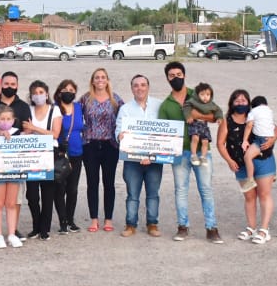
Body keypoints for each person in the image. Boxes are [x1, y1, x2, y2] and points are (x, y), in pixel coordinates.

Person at [158, 61, 222, 244]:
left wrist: (197, 116)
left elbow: (214, 115)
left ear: (184, 75)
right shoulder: (166, 105)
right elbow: (162, 131)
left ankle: (212, 228)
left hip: (202, 151)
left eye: (179, 74)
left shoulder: (199, 94)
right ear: (167, 79)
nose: (176, 78)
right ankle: (182, 227)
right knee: (181, 190)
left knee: (206, 189)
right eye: (172, 75)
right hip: (179, 153)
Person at [217, 89, 277, 243]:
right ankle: (251, 227)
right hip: (240, 165)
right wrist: (229, 161)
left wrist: (271, 140)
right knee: (249, 197)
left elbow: (275, 129)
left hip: (263, 160)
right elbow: (220, 144)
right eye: (237, 100)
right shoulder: (227, 120)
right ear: (231, 103)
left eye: (244, 100)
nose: (240, 103)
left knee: (264, 194)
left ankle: (264, 230)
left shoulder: (256, 115)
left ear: (249, 103)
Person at [0, 71, 32, 242]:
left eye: (13, 84)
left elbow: (28, 128)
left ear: (17, 85)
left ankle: (13, 229)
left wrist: (23, 137)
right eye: (6, 83)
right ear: (1, 84)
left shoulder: (23, 106)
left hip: (15, 159)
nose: (9, 86)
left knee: (14, 199)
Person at [115, 73, 163, 238]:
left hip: (154, 159)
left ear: (148, 87)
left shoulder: (159, 106)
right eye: (136, 85)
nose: (139, 88)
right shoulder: (125, 109)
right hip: (132, 159)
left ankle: (152, 224)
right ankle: (130, 224)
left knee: (153, 194)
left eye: (143, 85)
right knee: (132, 195)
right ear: (132, 88)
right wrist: (120, 136)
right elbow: (118, 130)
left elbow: (165, 131)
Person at [80, 68, 124, 233]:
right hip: (90, 145)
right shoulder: (85, 99)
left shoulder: (116, 99)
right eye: (97, 77)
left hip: (110, 146)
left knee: (109, 183)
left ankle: (108, 219)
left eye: (103, 77)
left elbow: (126, 118)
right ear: (92, 81)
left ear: (107, 80)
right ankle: (94, 219)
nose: (100, 80)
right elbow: (74, 115)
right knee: (92, 183)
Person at [23, 80, 61, 240]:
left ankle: (44, 229)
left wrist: (35, 129)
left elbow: (55, 134)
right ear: (31, 96)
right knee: (31, 194)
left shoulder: (55, 110)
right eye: (35, 93)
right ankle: (35, 225)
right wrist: (31, 131)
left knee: (47, 193)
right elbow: (25, 130)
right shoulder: (28, 109)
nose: (38, 96)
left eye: (41, 92)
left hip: (49, 153)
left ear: (47, 94)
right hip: (31, 154)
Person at [0, 105, 24, 249]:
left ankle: (12, 234)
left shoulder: (18, 134)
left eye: (8, 119)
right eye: (2, 119)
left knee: (11, 204)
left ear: (13, 120)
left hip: (14, 171)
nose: (5, 121)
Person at [53, 78, 84, 234]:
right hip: (59, 154)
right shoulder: (54, 108)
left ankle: (71, 220)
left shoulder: (79, 107)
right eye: (65, 90)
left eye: (72, 91)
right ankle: (62, 221)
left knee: (73, 189)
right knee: (60, 188)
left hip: (77, 153)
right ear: (59, 92)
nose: (69, 93)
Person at [241, 95, 276, 192]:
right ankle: (273, 174)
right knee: (269, 153)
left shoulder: (253, 111)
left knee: (247, 157)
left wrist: (245, 140)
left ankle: (250, 179)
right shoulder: (269, 111)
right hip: (270, 138)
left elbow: (249, 125)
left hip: (260, 139)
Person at [185, 83, 223, 166]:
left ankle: (203, 156)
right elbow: (186, 107)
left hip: (204, 125)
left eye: (208, 95)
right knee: (195, 138)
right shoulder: (192, 102)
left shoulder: (212, 105)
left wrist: (219, 118)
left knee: (205, 141)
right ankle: (194, 155)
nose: (205, 97)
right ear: (197, 95)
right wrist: (188, 116)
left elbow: (218, 111)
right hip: (194, 123)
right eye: (202, 94)